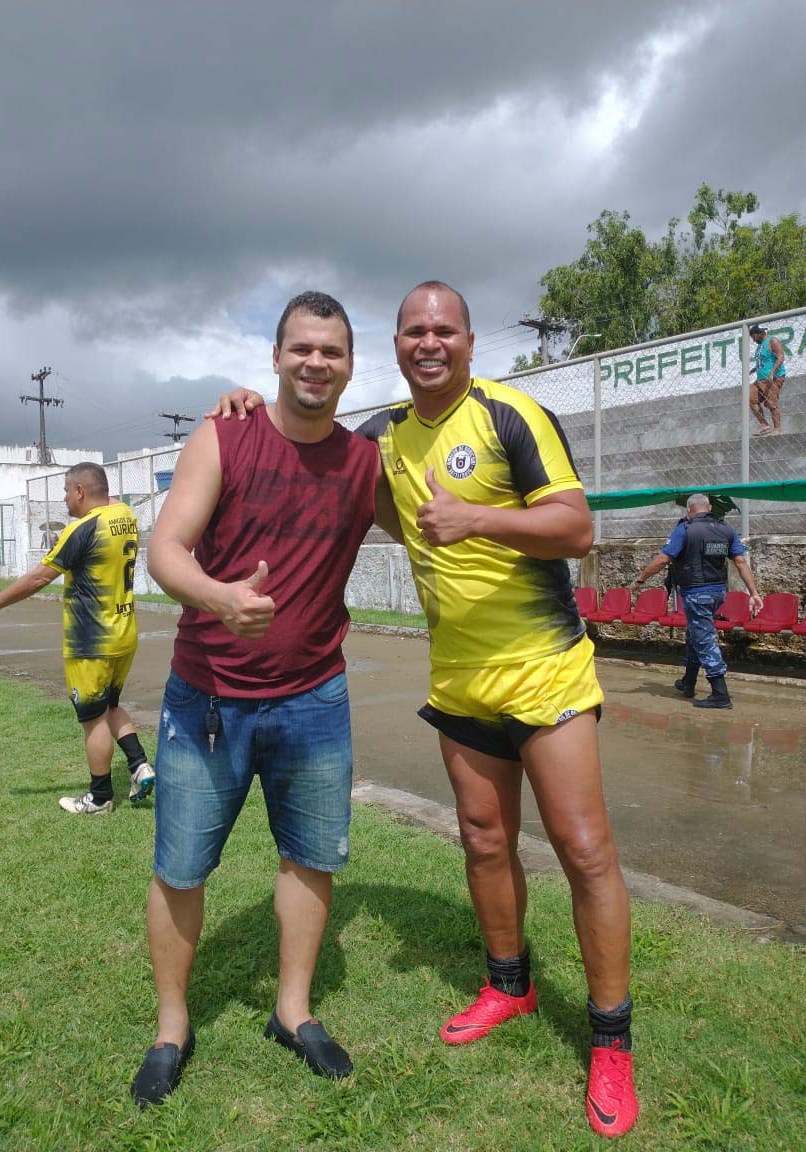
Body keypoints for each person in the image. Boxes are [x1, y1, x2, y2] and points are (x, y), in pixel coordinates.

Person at [216, 281, 639, 1138]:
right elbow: (312, 435)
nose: (430, 342)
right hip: (459, 681)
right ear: (398, 347)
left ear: (470, 342)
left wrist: (475, 518)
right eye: (414, 331)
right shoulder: (384, 437)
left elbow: (576, 528)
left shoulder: (511, 414)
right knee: (483, 839)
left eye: (445, 329)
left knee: (585, 851)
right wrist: (247, 407)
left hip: (546, 674)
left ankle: (610, 1043)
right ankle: (509, 985)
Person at [130, 292, 400, 1109]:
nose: (316, 362)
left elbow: (434, 528)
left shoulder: (364, 464)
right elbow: (164, 547)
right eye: (302, 348)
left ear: (350, 367)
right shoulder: (225, 434)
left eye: (332, 351)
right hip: (207, 699)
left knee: (309, 857)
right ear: (276, 357)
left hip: (314, 698)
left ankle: (293, 1012)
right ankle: (171, 1028)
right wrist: (218, 598)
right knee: (181, 866)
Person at [0, 463, 154, 813]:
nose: (65, 499)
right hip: (124, 632)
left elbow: (39, 578)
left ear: (80, 491)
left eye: (67, 491)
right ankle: (139, 765)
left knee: (93, 719)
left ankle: (100, 798)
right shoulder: (124, 515)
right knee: (110, 706)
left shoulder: (82, 529)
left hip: (91, 640)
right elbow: (108, 498)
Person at [630, 493, 762, 708]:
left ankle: (720, 694)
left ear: (689, 509)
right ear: (709, 508)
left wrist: (640, 579)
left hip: (697, 593)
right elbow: (740, 562)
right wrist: (754, 593)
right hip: (718, 592)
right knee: (695, 634)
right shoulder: (726, 529)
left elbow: (663, 559)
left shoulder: (686, 529)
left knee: (705, 640)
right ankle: (688, 682)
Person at [749, 323, 786, 435]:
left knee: (771, 403)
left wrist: (772, 372)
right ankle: (765, 426)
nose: (753, 340)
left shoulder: (772, 341)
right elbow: (765, 360)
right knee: (750, 398)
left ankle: (777, 429)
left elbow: (781, 357)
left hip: (773, 378)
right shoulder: (760, 345)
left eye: (754, 337)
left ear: (759, 333)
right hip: (761, 379)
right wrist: (755, 368)